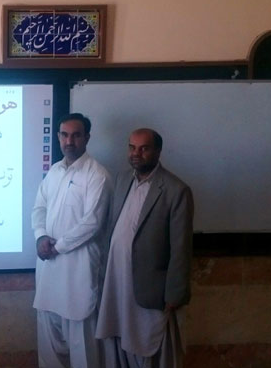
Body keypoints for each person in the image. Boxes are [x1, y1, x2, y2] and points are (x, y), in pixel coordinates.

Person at [96, 128, 194, 368]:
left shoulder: (176, 190)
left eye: (144, 148)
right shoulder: (122, 180)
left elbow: (181, 248)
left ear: (158, 151)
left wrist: (175, 294)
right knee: (120, 343)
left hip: (150, 289)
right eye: (132, 147)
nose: (136, 154)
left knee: (150, 349)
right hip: (117, 282)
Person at [32, 113, 112, 368]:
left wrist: (57, 246)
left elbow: (92, 222)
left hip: (78, 273)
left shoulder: (97, 175)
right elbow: (39, 208)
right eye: (65, 135)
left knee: (83, 351)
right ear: (58, 137)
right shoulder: (54, 171)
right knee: (49, 351)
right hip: (48, 272)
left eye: (76, 135)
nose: (69, 141)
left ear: (87, 138)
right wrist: (40, 236)